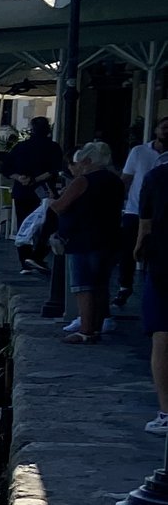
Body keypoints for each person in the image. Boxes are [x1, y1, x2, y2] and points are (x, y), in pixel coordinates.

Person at [52, 141, 127, 343]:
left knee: (83, 286)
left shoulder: (83, 181)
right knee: (101, 285)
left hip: (83, 238)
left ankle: (86, 330)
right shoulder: (115, 181)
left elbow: (60, 206)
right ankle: (98, 326)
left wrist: (52, 201)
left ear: (86, 160)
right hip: (109, 237)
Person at [121, 119, 168, 305]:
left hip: (160, 214)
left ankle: (152, 288)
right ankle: (125, 286)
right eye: (164, 127)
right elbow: (126, 177)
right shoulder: (139, 152)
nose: (166, 131)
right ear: (156, 129)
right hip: (134, 209)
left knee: (155, 252)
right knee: (127, 250)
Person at [141, 143, 168, 432]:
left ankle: (166, 411)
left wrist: (138, 251)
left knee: (162, 336)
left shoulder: (156, 177)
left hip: (162, 263)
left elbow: (144, 225)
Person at [2, 114, 64, 242]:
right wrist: (36, 179)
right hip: (45, 191)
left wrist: (20, 178)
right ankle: (39, 253)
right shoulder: (53, 147)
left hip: (22, 191)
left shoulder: (20, 147)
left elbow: (5, 168)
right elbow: (55, 170)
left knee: (24, 224)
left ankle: (25, 254)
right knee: (47, 224)